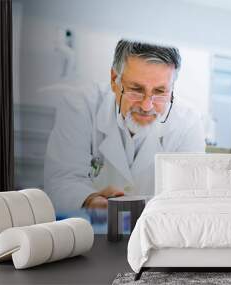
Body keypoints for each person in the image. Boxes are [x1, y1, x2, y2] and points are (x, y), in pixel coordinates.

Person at [44, 40, 205, 213]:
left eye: (160, 92)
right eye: (136, 89)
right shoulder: (80, 105)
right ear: (115, 80)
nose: (146, 106)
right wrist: (89, 199)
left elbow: (189, 196)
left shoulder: (188, 122)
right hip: (93, 230)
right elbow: (62, 181)